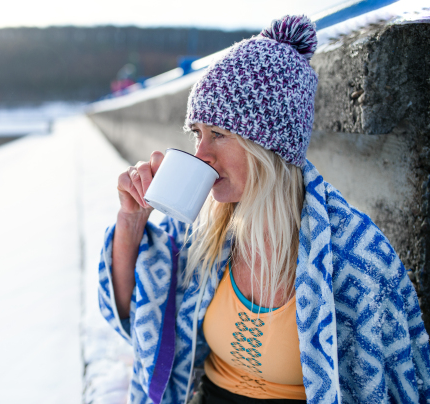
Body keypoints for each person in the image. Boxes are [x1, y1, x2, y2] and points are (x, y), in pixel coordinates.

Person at [98, 15, 430, 404]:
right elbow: (131, 313)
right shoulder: (202, 232)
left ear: (268, 146)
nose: (200, 154)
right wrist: (131, 220)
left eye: (219, 134)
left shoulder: (356, 257)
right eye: (197, 134)